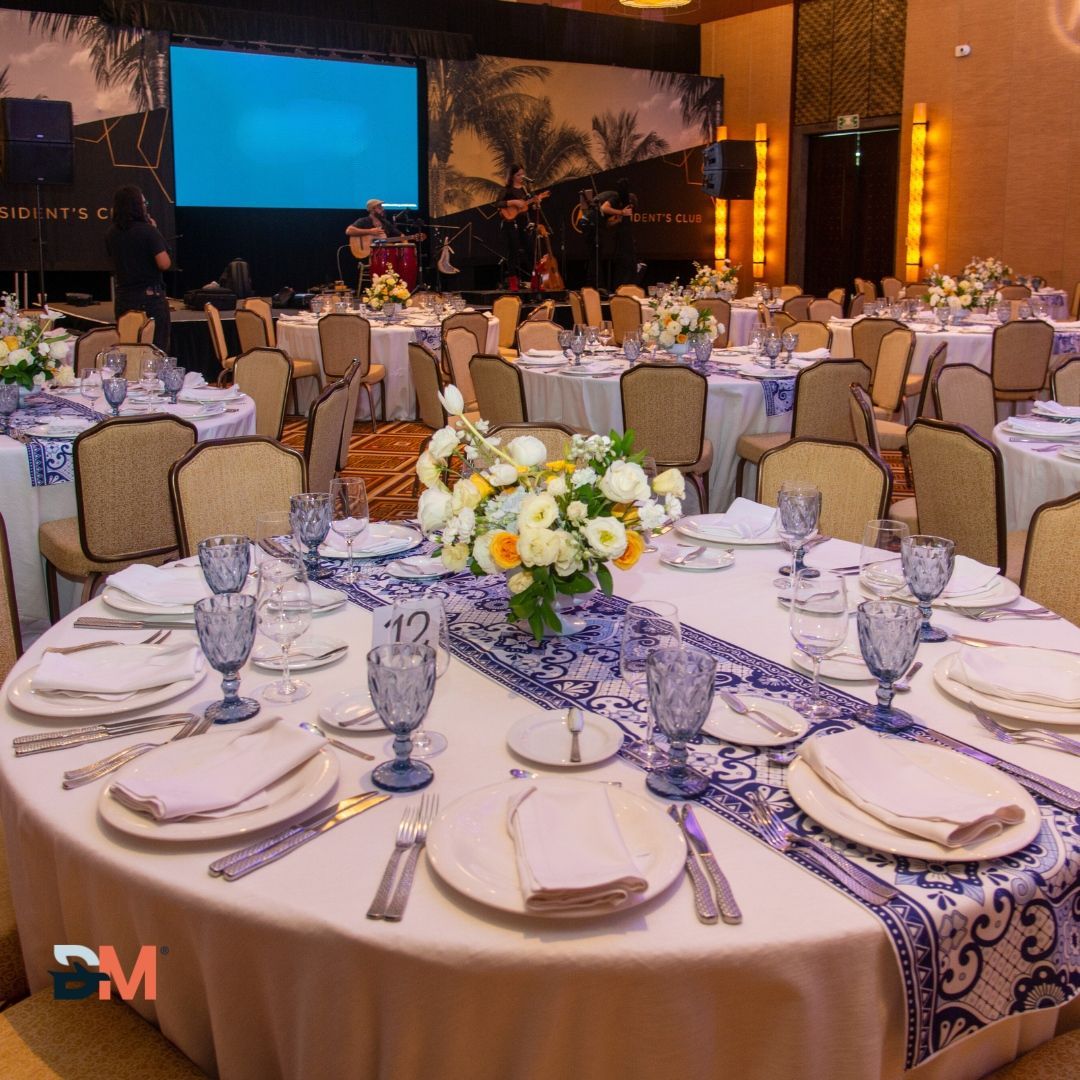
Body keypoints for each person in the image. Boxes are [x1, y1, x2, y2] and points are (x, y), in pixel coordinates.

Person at [105, 185, 171, 352]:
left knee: (127, 347)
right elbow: (164, 263)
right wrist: (156, 232)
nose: (145, 206)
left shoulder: (112, 233)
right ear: (137, 206)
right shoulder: (148, 231)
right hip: (149, 300)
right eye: (143, 202)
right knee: (155, 350)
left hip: (123, 298)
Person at [497, 164, 536, 287]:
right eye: (518, 174)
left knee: (530, 249)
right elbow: (497, 203)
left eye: (522, 174)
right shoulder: (507, 190)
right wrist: (513, 202)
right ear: (512, 176)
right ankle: (513, 282)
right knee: (513, 251)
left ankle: (535, 280)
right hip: (510, 223)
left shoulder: (526, 189)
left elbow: (528, 207)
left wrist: (535, 205)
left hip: (523, 223)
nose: (521, 177)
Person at [596, 178, 637, 292]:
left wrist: (620, 219)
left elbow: (609, 223)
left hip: (600, 223)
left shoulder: (618, 204)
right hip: (593, 219)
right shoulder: (617, 198)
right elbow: (604, 208)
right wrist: (621, 213)